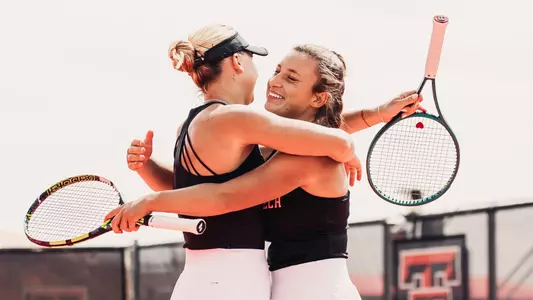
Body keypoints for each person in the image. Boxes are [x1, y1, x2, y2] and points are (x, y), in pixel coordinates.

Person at [107, 42, 423, 300]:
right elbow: (193, 192)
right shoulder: (278, 147)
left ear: (319, 96)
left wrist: (148, 202)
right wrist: (146, 167)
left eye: (292, 78)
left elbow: (223, 197)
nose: (274, 81)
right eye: (277, 71)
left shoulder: (308, 160)